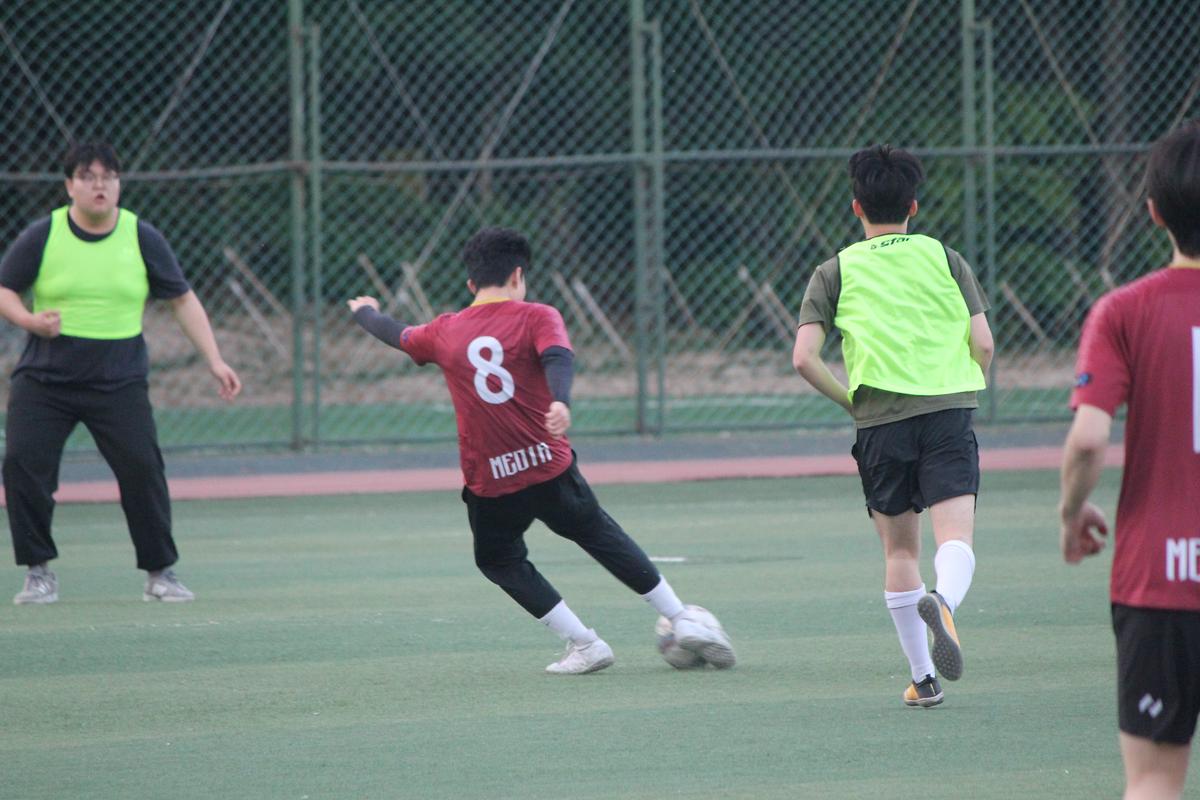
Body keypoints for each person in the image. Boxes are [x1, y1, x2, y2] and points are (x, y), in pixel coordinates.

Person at [348, 226, 734, 674]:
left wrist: (365, 311)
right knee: (598, 533)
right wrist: (560, 401)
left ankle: (585, 643)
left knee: (498, 559)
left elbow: (395, 333)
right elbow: (557, 356)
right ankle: (681, 617)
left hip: (492, 481)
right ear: (518, 275)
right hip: (548, 464)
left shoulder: (444, 331)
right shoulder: (538, 315)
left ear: (471, 284)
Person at [791, 145, 994, 707]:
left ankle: (924, 679)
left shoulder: (834, 271)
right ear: (914, 206)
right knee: (955, 538)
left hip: (880, 421)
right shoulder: (946, 258)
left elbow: (804, 358)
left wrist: (851, 403)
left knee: (900, 552)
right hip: (947, 411)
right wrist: (964, 384)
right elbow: (983, 343)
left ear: (856, 207)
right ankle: (945, 603)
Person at [0, 140, 242, 605]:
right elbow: (5, 289)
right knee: (23, 465)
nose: (100, 186)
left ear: (119, 184)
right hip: (45, 381)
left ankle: (160, 573)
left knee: (142, 469)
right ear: (69, 186)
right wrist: (30, 321)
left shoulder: (141, 236)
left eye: (109, 177)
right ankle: (38, 573)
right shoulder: (44, 234)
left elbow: (182, 299)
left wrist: (215, 359)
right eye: (88, 177)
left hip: (118, 381)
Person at [1058, 121, 1200, 800]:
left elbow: (1089, 438)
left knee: (1153, 781)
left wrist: (1070, 514)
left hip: (1160, 579)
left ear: (1153, 211)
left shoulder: (1122, 311)